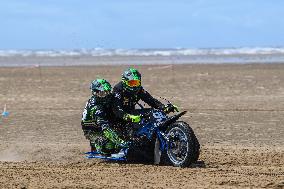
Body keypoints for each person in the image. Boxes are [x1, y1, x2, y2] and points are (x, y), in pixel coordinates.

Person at [112, 68, 179, 124]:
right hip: (118, 118)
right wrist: (128, 117)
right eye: (131, 83)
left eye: (136, 82)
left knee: (153, 112)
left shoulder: (139, 89)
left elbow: (151, 100)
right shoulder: (118, 90)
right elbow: (116, 109)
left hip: (131, 114)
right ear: (125, 82)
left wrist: (163, 108)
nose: (134, 86)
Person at [81, 79, 127, 155]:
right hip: (93, 131)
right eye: (102, 93)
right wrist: (121, 143)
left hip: (103, 123)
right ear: (95, 93)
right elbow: (105, 129)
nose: (106, 95)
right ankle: (97, 145)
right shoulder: (96, 108)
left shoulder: (107, 98)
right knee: (109, 146)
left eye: (108, 92)